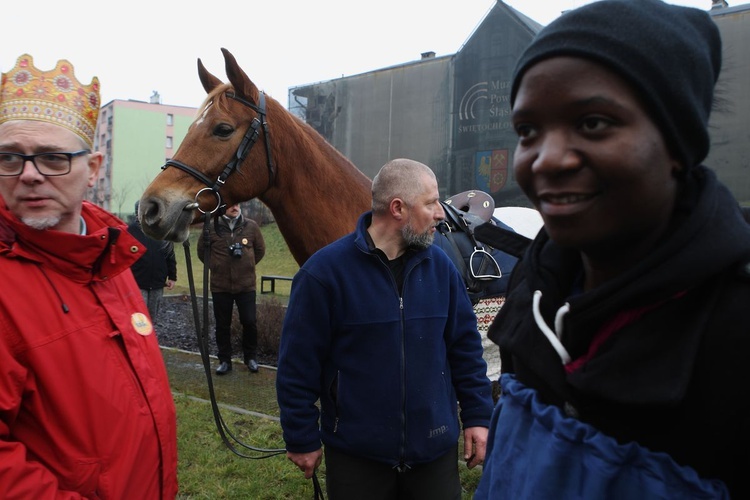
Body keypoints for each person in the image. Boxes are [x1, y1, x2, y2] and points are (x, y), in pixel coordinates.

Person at [475, 1, 749, 498]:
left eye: (594, 123)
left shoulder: (735, 326)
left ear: (677, 142)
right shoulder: (534, 284)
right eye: (527, 131)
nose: (547, 159)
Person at [0, 54, 177, 497]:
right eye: (9, 159)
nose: (29, 175)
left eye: (53, 158)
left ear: (93, 169)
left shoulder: (109, 256)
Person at [276, 158, 493, 499]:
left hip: (433, 453)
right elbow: (297, 366)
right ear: (397, 208)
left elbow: (465, 350)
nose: (441, 213)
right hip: (356, 457)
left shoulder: (442, 269)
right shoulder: (324, 274)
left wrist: (479, 416)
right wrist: (301, 436)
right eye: (431, 202)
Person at [197, 202, 265, 374]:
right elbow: (201, 252)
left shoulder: (251, 226)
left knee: (249, 322)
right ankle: (224, 360)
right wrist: (217, 266)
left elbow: (260, 250)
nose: (234, 207)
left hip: (246, 285)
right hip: (221, 286)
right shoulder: (211, 227)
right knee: (222, 325)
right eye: (230, 205)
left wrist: (248, 265)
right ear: (222, 207)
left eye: (237, 204)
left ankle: (250, 358)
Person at [129, 200, 177, 320]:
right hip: (137, 282)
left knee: (152, 317)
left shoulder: (162, 231)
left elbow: (169, 254)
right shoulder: (129, 232)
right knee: (139, 317)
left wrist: (172, 276)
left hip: (157, 282)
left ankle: (150, 338)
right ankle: (139, 338)